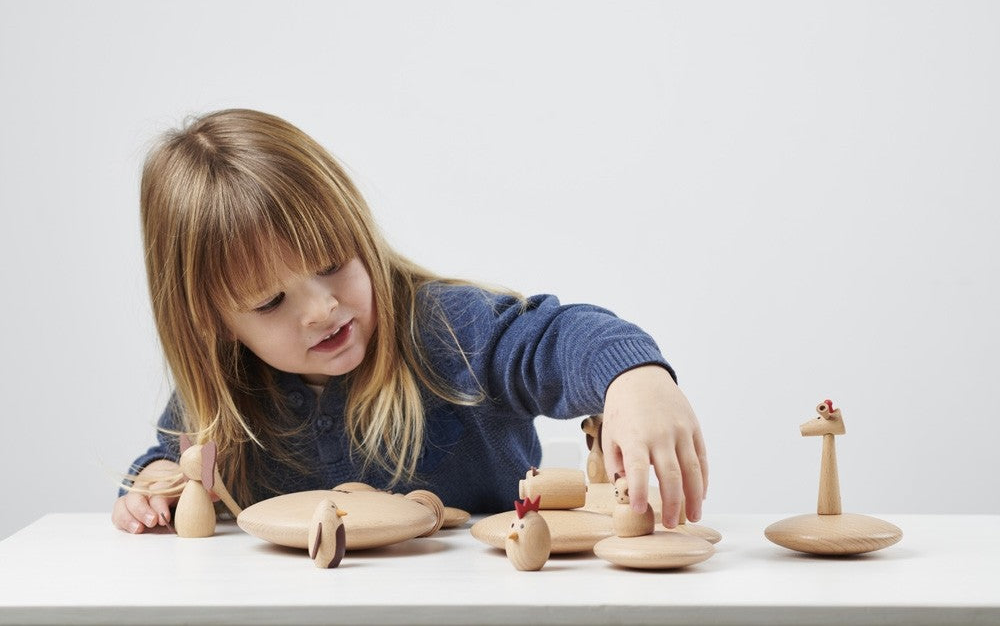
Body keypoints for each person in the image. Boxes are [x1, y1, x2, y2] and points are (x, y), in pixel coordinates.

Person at [112, 108, 708, 534]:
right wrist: (153, 482)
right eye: (271, 303)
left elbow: (556, 339)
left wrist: (636, 378)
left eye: (332, 264)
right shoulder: (225, 397)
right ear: (213, 323)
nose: (321, 309)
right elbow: (171, 461)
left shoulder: (445, 329)